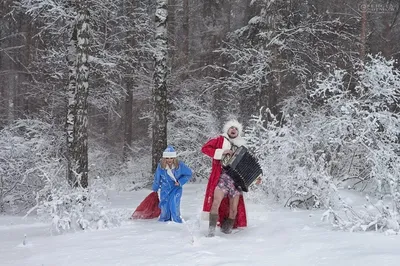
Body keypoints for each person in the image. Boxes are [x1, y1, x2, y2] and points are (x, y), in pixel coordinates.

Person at [201, 119, 247, 237]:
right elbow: (205, 148)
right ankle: (211, 232)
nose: (233, 130)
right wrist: (222, 152)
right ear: (227, 129)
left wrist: (255, 177)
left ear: (238, 132)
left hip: (236, 181)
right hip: (222, 177)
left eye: (236, 128)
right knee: (215, 202)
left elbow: (247, 165)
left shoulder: (242, 146)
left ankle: (227, 232)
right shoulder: (220, 140)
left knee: (233, 209)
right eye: (231, 127)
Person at [152, 145, 193, 223]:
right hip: (165, 189)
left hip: (176, 188)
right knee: (165, 205)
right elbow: (157, 178)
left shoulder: (180, 165)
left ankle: (176, 220)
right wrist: (155, 188)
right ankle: (164, 220)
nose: (169, 160)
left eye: (171, 158)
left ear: (174, 158)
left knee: (174, 203)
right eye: (167, 158)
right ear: (164, 158)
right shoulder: (161, 166)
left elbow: (189, 173)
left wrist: (180, 181)